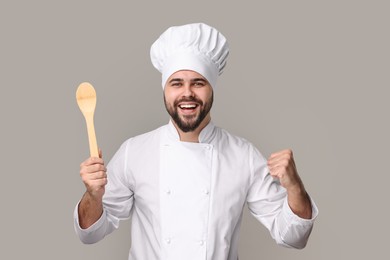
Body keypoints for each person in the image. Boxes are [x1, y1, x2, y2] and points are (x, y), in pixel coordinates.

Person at [74, 23, 318, 260]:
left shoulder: (243, 155)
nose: (187, 93)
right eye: (176, 83)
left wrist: (295, 187)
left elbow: (294, 237)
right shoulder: (134, 152)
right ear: (165, 90)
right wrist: (93, 195)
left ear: (212, 89)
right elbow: (91, 233)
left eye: (198, 83)